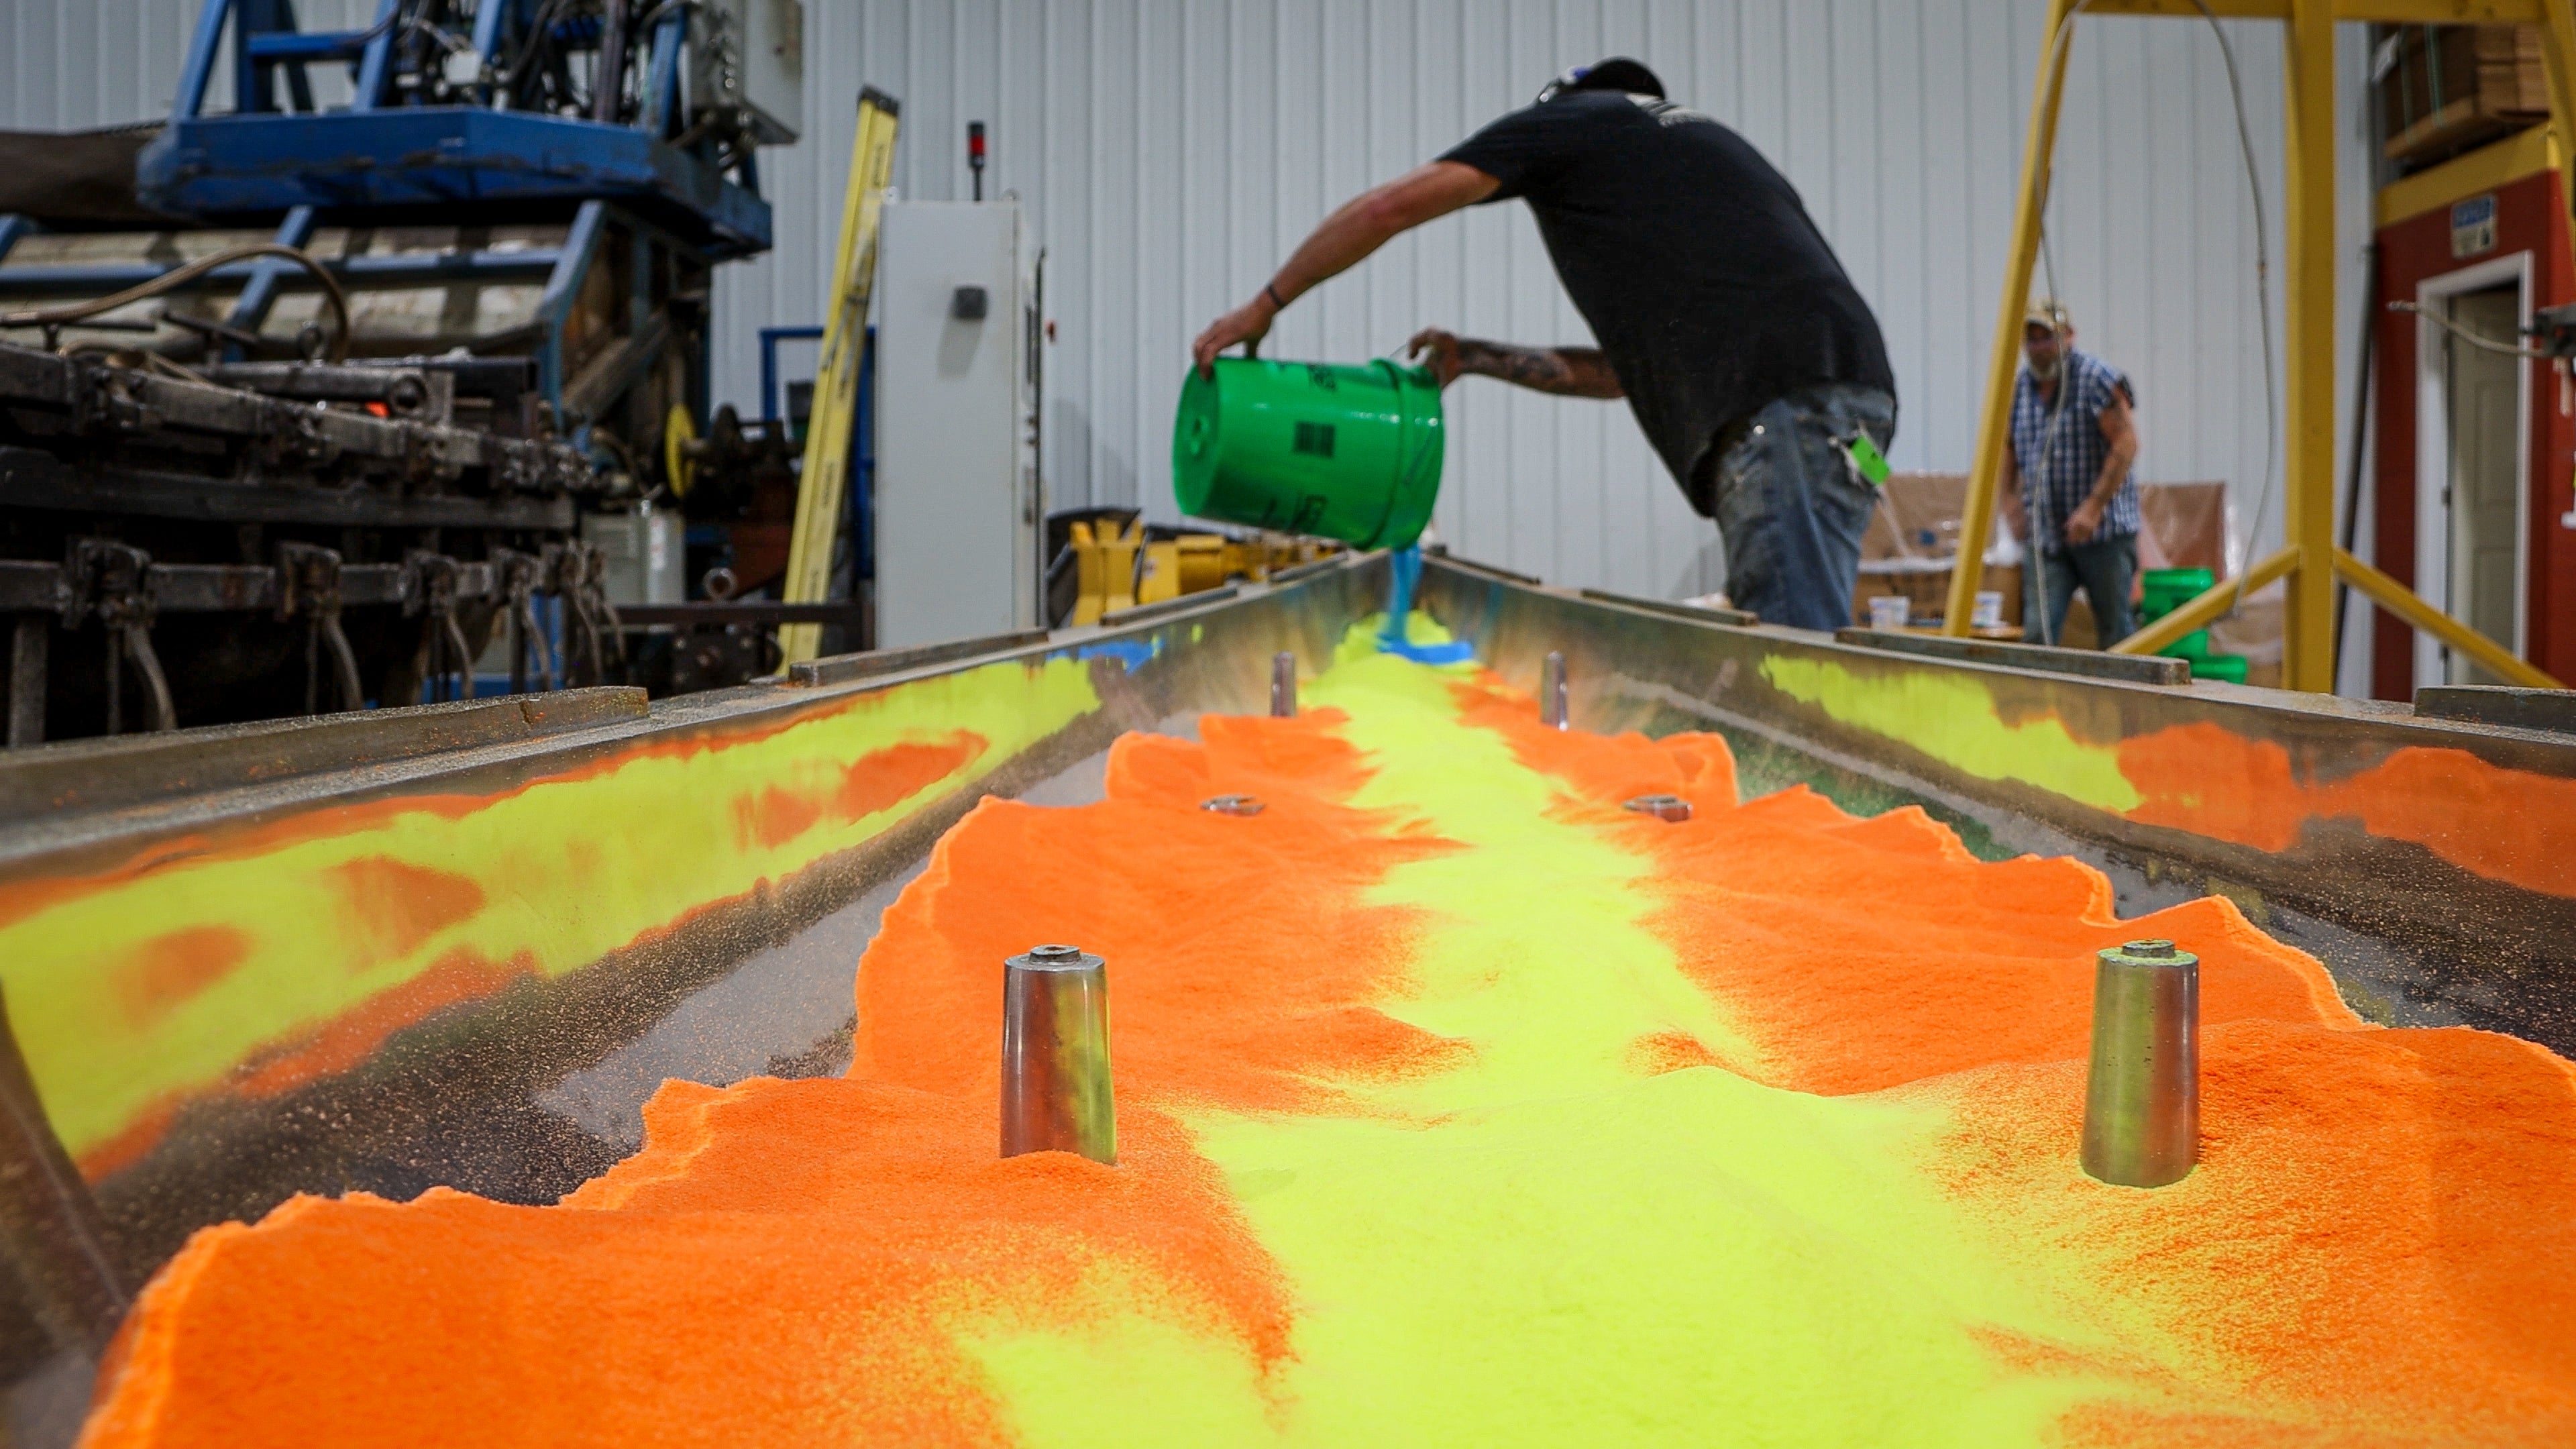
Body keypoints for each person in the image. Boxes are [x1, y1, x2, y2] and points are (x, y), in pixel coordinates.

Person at [1190, 58, 1896, 630]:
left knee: (1789, 662)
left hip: (1783, 410)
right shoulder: (1701, 157)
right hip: (1849, 402)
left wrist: (1266, 303)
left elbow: (1388, 207)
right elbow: (1621, 376)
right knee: (1810, 635)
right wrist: (1477, 357)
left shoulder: (1574, 121)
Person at [2000, 301, 2142, 647]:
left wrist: (2093, 507)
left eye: (2046, 338)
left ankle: (2121, 701)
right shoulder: (2021, 387)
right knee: (2038, 634)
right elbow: (2008, 446)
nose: (2039, 348)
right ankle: (2038, 702)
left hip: (2104, 534)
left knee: (2116, 635)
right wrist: (2008, 501)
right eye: (2031, 340)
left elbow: (2126, 443)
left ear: (2068, 338)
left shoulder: (2097, 379)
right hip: (2046, 535)